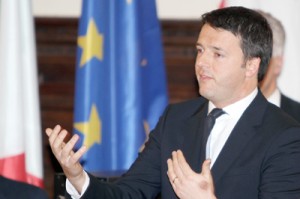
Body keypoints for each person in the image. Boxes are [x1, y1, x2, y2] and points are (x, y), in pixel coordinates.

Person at [46, 6, 300, 199]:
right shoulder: (176, 119)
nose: (202, 63)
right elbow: (128, 193)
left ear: (251, 65)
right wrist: (78, 176)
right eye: (200, 50)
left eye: (217, 54)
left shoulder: (285, 135)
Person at [258, 10, 300, 122]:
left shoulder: (297, 119)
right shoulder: (213, 112)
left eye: (259, 57)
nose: (250, 66)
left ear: (278, 63)